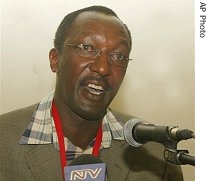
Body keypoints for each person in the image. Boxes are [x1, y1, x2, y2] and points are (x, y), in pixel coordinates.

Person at [0, 5, 183, 181]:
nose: (103, 68)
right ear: (55, 59)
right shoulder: (3, 138)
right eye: (87, 48)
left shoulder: (157, 154)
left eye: (118, 56)